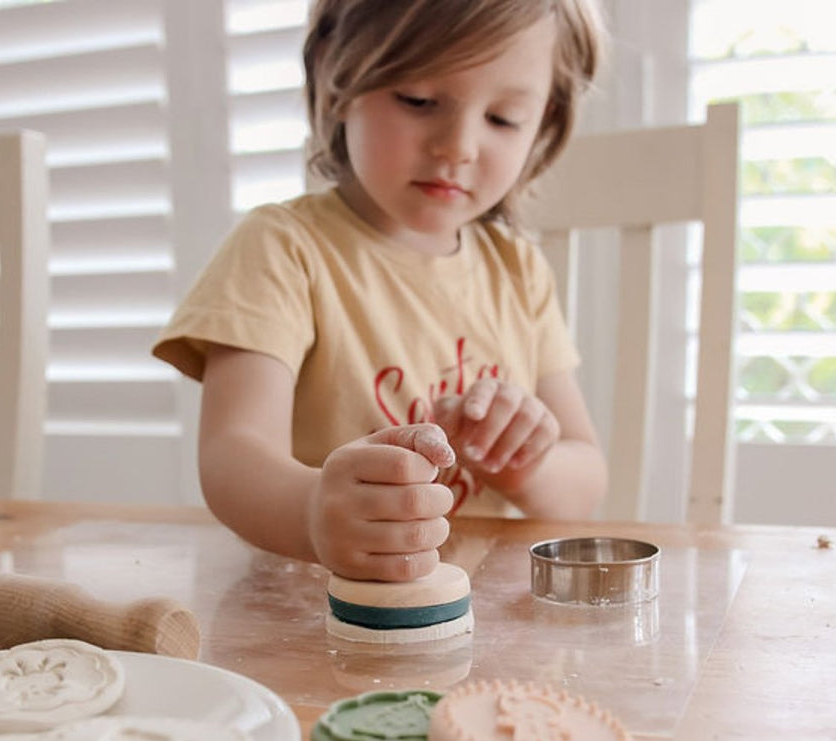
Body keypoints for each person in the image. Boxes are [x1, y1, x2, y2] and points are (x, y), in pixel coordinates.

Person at [154, 0, 608, 582]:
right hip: (309, 618)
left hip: (473, 627)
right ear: (337, 76)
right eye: (418, 100)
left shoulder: (518, 271)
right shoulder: (284, 248)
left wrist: (522, 463)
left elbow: (584, 478)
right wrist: (314, 513)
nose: (459, 146)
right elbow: (232, 454)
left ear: (544, 122)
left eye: (504, 118)